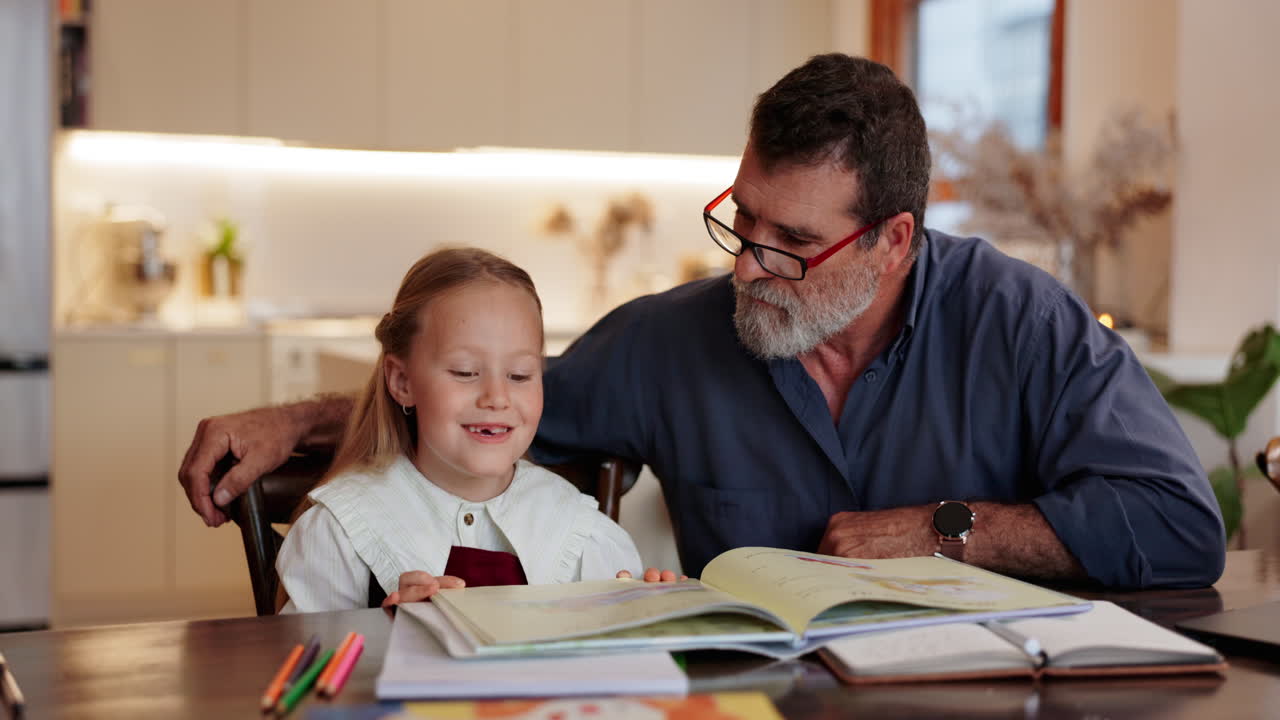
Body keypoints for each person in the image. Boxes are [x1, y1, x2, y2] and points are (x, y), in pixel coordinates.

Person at [181, 54, 1225, 591]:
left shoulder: (1021, 323)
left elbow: (1179, 528)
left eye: (790, 243)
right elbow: (485, 394)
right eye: (741, 218)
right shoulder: (669, 341)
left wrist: (944, 531)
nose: (748, 266)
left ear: (891, 242)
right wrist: (296, 424)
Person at [274, 248, 663, 613]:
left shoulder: (583, 533)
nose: (497, 397)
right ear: (402, 381)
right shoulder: (338, 533)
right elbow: (304, 672)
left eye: (519, 375)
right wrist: (385, 638)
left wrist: (661, 616)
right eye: (465, 372)